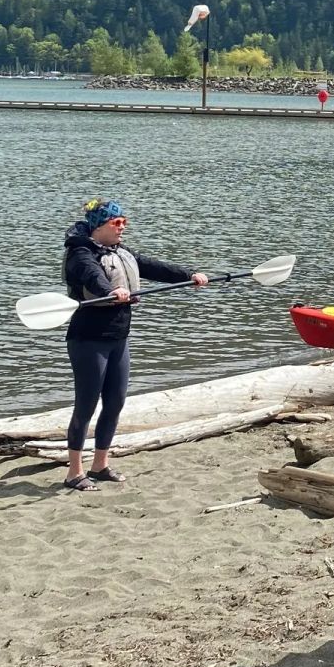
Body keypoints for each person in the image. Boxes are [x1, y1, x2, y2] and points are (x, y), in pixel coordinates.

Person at [59, 199, 208, 492]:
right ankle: (74, 473)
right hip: (88, 340)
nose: (122, 227)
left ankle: (99, 466)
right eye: (116, 223)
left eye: (124, 221)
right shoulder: (80, 253)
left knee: (115, 402)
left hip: (118, 338)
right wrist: (111, 290)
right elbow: (93, 276)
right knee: (86, 406)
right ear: (99, 225)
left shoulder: (119, 251)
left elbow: (152, 266)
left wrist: (189, 275)